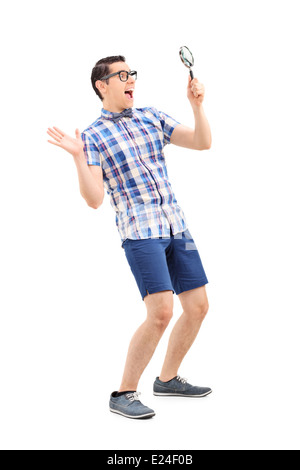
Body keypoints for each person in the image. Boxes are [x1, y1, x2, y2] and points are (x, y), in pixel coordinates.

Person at [47, 55, 212, 420]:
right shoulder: (93, 136)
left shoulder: (151, 116)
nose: (130, 79)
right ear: (101, 86)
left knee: (198, 307)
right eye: (121, 75)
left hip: (176, 225)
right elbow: (93, 200)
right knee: (161, 313)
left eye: (131, 73)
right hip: (141, 232)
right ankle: (123, 393)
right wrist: (77, 158)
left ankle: (167, 379)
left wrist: (196, 106)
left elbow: (202, 142)